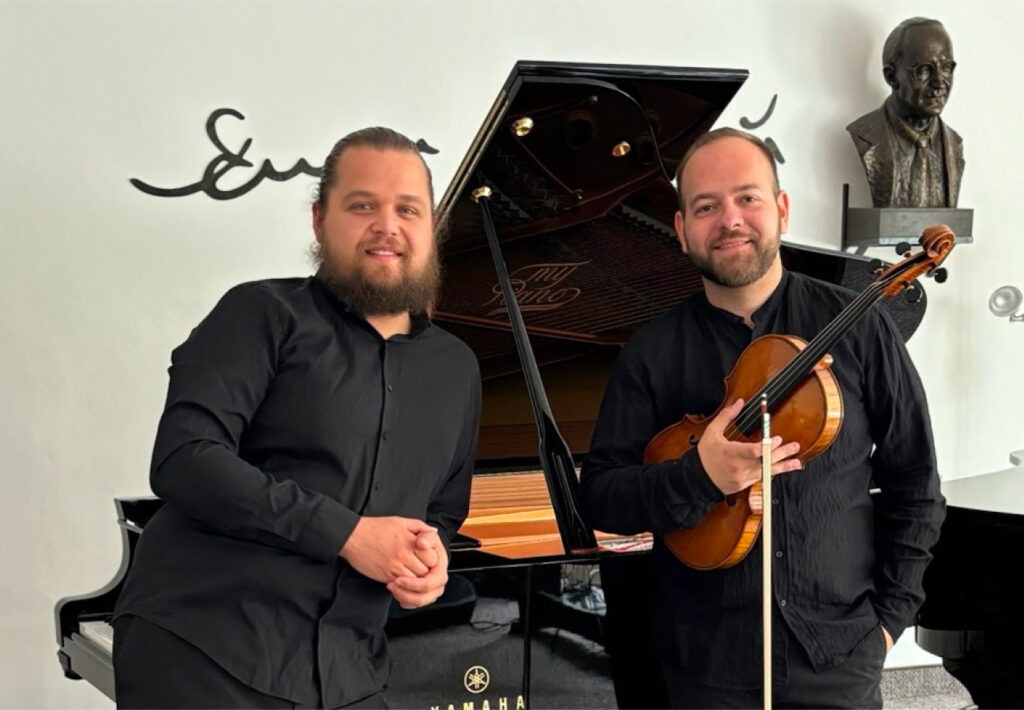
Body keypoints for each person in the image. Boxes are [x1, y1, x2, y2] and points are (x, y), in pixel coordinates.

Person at [111, 127, 482, 709]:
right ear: (319, 220)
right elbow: (185, 457)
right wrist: (348, 534)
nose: (388, 225)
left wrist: (431, 560)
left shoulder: (457, 367)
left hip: (350, 671)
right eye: (362, 206)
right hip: (208, 648)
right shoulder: (259, 312)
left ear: (431, 227)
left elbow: (442, 510)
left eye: (408, 209)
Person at [580, 127, 945, 709]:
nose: (729, 219)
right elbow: (600, 496)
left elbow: (917, 484)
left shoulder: (859, 325)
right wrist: (698, 479)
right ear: (681, 231)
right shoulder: (650, 351)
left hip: (839, 658)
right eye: (706, 206)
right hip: (705, 667)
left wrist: (886, 623)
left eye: (747, 198)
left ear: (780, 210)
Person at [847, 17, 964, 208]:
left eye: (946, 67)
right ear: (891, 76)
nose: (940, 81)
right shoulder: (865, 135)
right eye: (925, 70)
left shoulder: (954, 145)